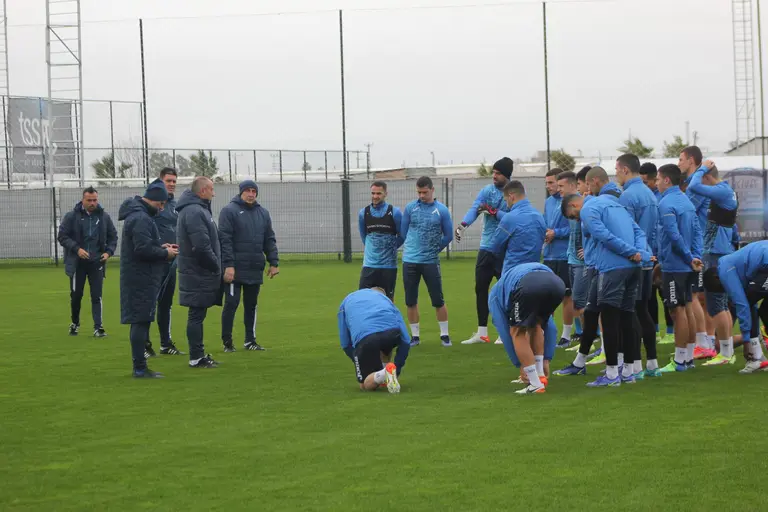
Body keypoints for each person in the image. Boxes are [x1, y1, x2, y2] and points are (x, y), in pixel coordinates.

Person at [556, 169, 649, 387]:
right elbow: (639, 232)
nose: (577, 220)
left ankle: (611, 374)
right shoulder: (617, 205)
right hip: (633, 268)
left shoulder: (589, 210)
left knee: (609, 320)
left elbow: (603, 236)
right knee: (626, 318)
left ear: (574, 205)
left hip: (611, 268)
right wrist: (639, 253)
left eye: (573, 216)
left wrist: (630, 252)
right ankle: (628, 372)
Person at [118, 179, 179, 378]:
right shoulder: (141, 218)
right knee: (140, 320)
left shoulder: (139, 215)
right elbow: (142, 249)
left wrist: (161, 247)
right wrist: (165, 254)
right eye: (160, 204)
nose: (161, 208)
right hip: (140, 277)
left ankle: (140, 366)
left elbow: (143, 245)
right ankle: (140, 367)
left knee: (142, 319)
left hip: (140, 275)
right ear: (153, 199)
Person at [686, 160, 740, 366]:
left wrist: (701, 168)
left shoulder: (721, 190)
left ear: (707, 177)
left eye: (703, 177)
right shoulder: (724, 192)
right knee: (718, 304)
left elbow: (693, 186)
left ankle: (725, 354)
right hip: (718, 251)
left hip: (717, 253)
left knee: (716, 304)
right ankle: (726, 351)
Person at [455, 157, 512, 345]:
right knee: (480, 288)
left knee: (504, 291)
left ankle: (504, 332)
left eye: (498, 173)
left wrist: (494, 211)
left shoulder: (514, 192)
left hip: (504, 248)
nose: (494, 176)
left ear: (507, 175)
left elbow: (514, 218)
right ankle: (482, 333)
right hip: (486, 247)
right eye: (493, 172)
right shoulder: (487, 191)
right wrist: (463, 225)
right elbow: (475, 208)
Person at [219, 180, 279, 352]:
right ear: (241, 192)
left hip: (254, 267)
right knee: (231, 303)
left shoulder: (263, 213)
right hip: (235, 269)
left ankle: (250, 340)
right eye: (248, 191)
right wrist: (228, 265)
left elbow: (269, 239)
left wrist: (273, 262)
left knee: (251, 305)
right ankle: (227, 342)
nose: (251, 194)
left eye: (254, 191)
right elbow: (225, 240)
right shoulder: (229, 211)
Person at [489, 262, 566, 394]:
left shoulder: (494, 297)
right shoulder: (517, 276)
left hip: (528, 286)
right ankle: (540, 374)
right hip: (557, 284)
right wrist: (546, 359)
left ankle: (535, 384)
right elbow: (549, 326)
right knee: (536, 325)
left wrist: (522, 365)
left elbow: (506, 333)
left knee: (517, 332)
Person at [655, 164, 704, 373]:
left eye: (658, 179)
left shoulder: (666, 203)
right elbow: (697, 232)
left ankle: (679, 360)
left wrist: (689, 257)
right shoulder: (686, 201)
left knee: (677, 310)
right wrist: (696, 256)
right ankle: (688, 357)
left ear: (667, 180)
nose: (656, 183)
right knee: (687, 307)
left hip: (675, 265)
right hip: (687, 264)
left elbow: (673, 236)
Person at [615, 154, 660, 379]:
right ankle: (652, 362)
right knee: (643, 310)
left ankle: (634, 365)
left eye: (617, 170)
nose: (616, 174)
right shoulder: (650, 193)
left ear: (625, 170)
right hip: (648, 258)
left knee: (629, 311)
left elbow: (627, 231)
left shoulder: (627, 196)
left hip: (634, 259)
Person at [57, 186, 118, 338]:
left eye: (94, 200)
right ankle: (75, 323)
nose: (92, 203)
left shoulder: (104, 217)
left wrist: (108, 252)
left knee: (97, 296)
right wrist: (77, 249)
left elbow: (113, 237)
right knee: (76, 295)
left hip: (97, 263)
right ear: (83, 200)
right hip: (77, 263)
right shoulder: (72, 216)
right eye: (89, 200)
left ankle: (98, 327)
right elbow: (62, 236)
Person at [401, 176, 454, 347]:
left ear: (432, 190)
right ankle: (415, 336)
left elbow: (449, 235)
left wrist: (435, 249)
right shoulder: (410, 208)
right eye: (419, 192)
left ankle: (444, 335)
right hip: (410, 261)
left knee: (438, 299)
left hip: (430, 261)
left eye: (425, 192)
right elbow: (403, 232)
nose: (422, 196)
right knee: (410, 300)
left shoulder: (442, 210)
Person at [176, 176, 222, 369]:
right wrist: (216, 265)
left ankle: (198, 354)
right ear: (203, 191)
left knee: (197, 314)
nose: (214, 193)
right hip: (197, 272)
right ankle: (196, 357)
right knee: (196, 314)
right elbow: (202, 246)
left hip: (196, 271)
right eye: (211, 189)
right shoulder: (195, 211)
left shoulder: (196, 209)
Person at [703, 241, 768, 373]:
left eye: (721, 288)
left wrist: (746, 342)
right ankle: (758, 357)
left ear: (716, 277)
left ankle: (756, 358)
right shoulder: (730, 264)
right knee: (764, 311)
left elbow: (742, 305)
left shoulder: (725, 273)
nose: (725, 291)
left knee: (747, 302)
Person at [337, 287, 411, 393]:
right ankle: (387, 375)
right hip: (391, 333)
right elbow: (406, 341)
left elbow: (345, 344)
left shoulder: (346, 302)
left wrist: (360, 361)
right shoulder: (387, 301)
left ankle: (385, 373)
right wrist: (397, 367)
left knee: (365, 385)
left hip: (367, 338)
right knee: (387, 343)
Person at [145, 167, 184, 357]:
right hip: (154, 260)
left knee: (166, 303)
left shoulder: (175, 205)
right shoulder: (152, 204)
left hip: (171, 261)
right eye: (168, 181)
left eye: (174, 181)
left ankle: (165, 343)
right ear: (160, 181)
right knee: (148, 303)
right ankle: (144, 343)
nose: (172, 184)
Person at [678, 146, 709, 356]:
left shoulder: (696, 186)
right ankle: (706, 341)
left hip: (699, 248)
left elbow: (685, 210)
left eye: (681, 159)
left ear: (691, 160)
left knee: (694, 296)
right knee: (697, 297)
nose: (678, 163)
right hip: (698, 246)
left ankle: (703, 343)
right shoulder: (693, 184)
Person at [640, 162, 675, 344]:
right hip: (648, 254)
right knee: (649, 295)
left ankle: (670, 331)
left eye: (646, 182)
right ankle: (652, 330)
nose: (644, 185)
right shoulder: (644, 197)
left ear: (655, 179)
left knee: (666, 294)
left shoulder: (663, 198)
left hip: (661, 254)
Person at [543, 168, 574, 348]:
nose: (548, 186)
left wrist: (556, 233)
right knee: (547, 296)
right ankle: (548, 333)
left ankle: (566, 335)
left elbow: (574, 228)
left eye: (551, 183)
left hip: (565, 256)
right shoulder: (548, 202)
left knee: (567, 296)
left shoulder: (571, 202)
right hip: (549, 255)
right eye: (546, 183)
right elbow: (545, 223)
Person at [358, 181, 403, 301]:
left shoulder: (395, 213)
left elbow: (402, 235)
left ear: (385, 194)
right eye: (373, 193)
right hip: (369, 265)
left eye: (379, 193)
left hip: (388, 266)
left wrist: (391, 247)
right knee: (363, 299)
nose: (375, 196)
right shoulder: (363, 213)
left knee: (388, 300)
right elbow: (364, 236)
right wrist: (372, 250)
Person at [558, 170, 588, 345]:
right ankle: (582, 337)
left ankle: (588, 340)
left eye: (561, 186)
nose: (558, 189)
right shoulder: (565, 204)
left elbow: (595, 232)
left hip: (582, 262)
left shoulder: (584, 206)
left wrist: (588, 250)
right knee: (576, 301)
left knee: (581, 303)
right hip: (571, 258)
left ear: (573, 185)